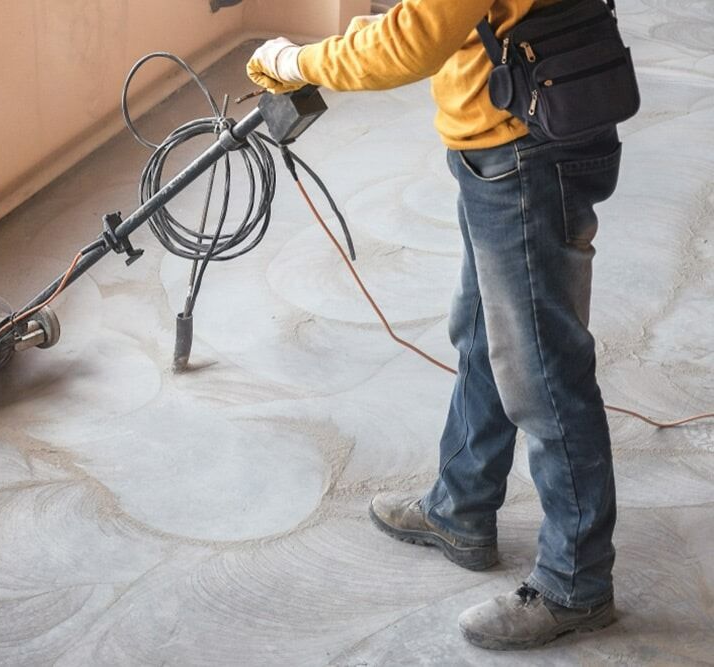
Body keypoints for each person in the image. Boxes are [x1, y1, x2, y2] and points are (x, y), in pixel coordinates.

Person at [247, 0, 621, 651]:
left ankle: (575, 582)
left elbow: (412, 42)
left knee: (543, 373)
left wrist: (293, 60)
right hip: (520, 133)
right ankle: (461, 505)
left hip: (522, 152)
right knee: (481, 329)